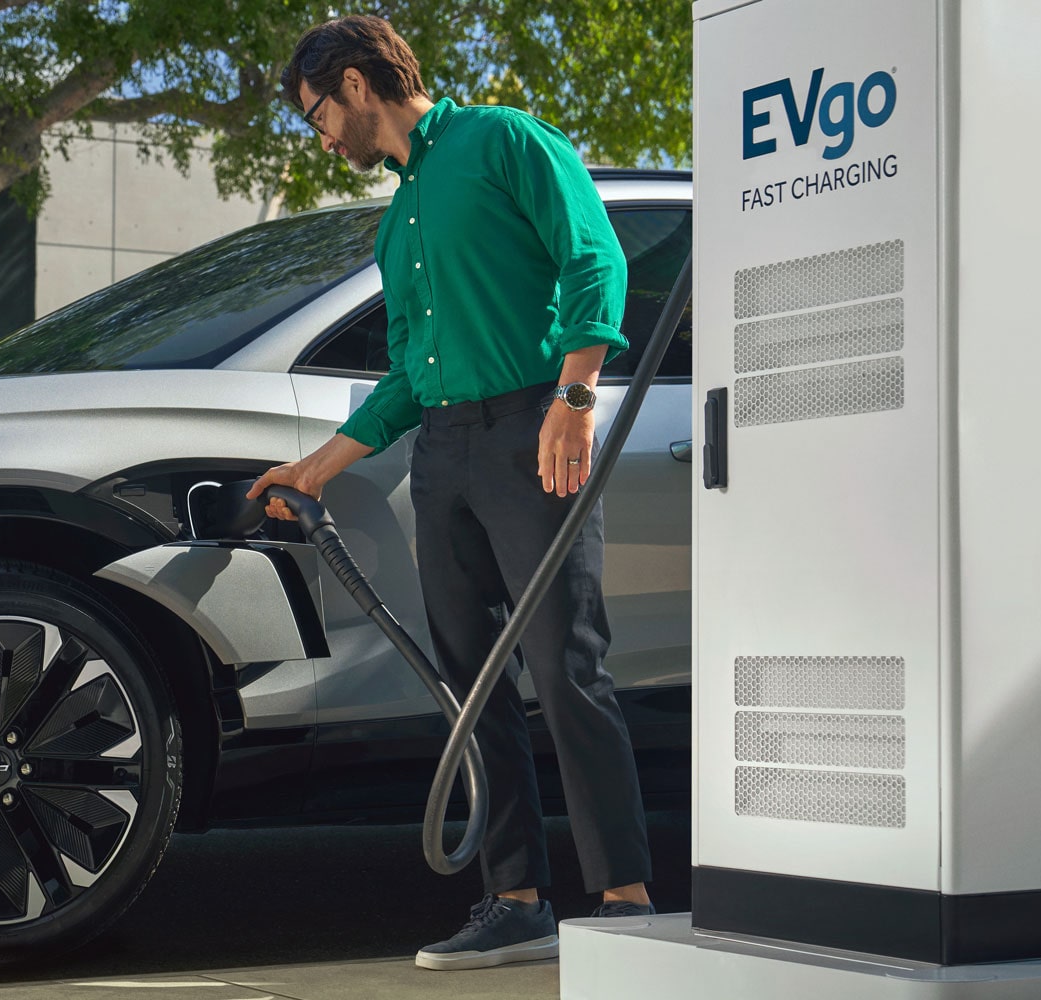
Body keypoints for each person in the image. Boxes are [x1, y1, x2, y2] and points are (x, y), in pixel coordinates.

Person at [248, 14, 654, 972]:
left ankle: (627, 900)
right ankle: (515, 902)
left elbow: (595, 256)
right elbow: (405, 375)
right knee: (471, 686)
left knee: (565, 665)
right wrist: (315, 469)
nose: (320, 136)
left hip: (531, 431)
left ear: (352, 83)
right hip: (443, 452)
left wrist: (575, 397)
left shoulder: (504, 139)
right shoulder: (399, 219)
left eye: (315, 114)